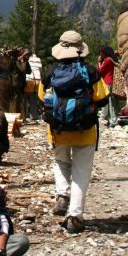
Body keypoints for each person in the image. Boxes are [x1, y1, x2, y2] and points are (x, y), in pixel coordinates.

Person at [39, 30, 109, 234]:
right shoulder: (89, 71)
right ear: (81, 50)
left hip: (57, 130)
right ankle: (75, 216)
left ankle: (61, 195)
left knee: (61, 162)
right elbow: (103, 97)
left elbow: (43, 98)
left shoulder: (51, 72)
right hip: (85, 130)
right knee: (81, 172)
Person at [98, 45, 120, 128]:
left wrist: (99, 62)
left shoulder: (107, 60)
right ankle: (112, 118)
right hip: (111, 81)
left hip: (107, 82)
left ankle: (111, 120)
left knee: (109, 101)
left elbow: (100, 70)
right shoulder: (111, 59)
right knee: (112, 100)